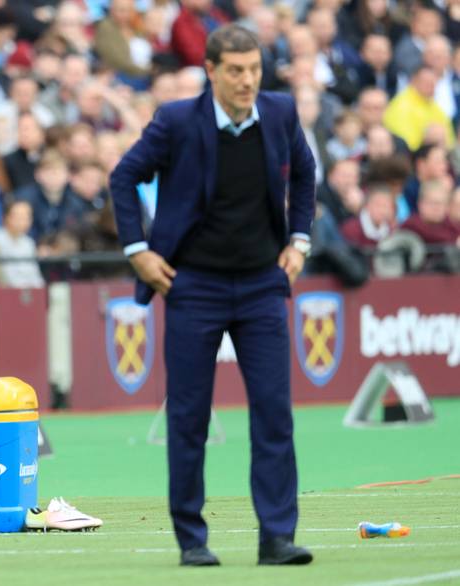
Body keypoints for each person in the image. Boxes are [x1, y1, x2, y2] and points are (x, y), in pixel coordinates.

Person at [109, 25, 316, 567]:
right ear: (211, 71)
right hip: (191, 286)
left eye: (254, 70)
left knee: (275, 414)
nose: (248, 81)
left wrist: (300, 240)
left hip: (262, 287)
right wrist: (138, 249)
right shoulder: (177, 121)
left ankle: (277, 537)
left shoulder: (280, 112)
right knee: (189, 417)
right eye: (236, 71)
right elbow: (124, 175)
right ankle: (192, 539)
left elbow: (308, 175)